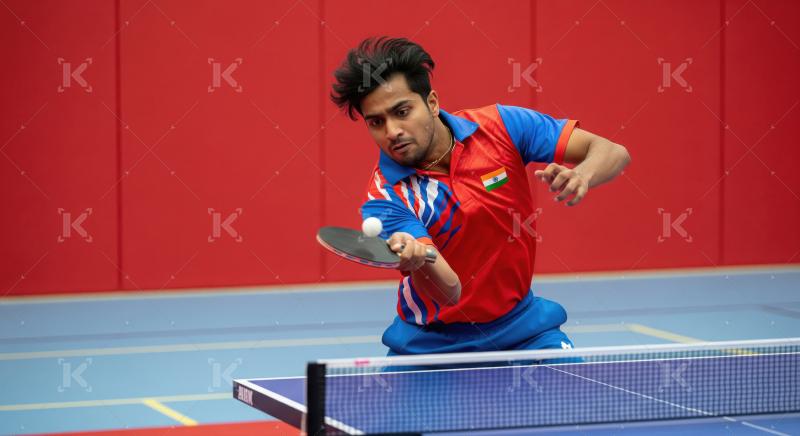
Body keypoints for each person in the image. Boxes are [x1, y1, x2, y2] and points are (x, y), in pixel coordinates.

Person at [330, 37, 630, 356]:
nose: (392, 131)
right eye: (376, 122)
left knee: (572, 402)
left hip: (524, 329)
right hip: (430, 344)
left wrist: (582, 175)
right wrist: (419, 262)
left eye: (402, 111)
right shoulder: (387, 196)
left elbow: (612, 152)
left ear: (432, 102)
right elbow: (449, 293)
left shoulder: (500, 127)